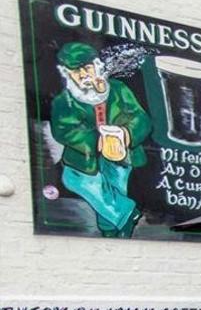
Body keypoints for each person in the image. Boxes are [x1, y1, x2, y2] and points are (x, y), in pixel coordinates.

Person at [50, 42, 152, 238]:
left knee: (114, 191)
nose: (83, 75)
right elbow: (63, 130)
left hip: (121, 153)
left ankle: (113, 233)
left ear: (96, 66)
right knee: (73, 179)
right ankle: (127, 213)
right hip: (84, 158)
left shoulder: (118, 89)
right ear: (67, 74)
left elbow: (141, 118)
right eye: (76, 71)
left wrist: (125, 134)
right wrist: (96, 140)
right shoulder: (64, 100)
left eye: (87, 68)